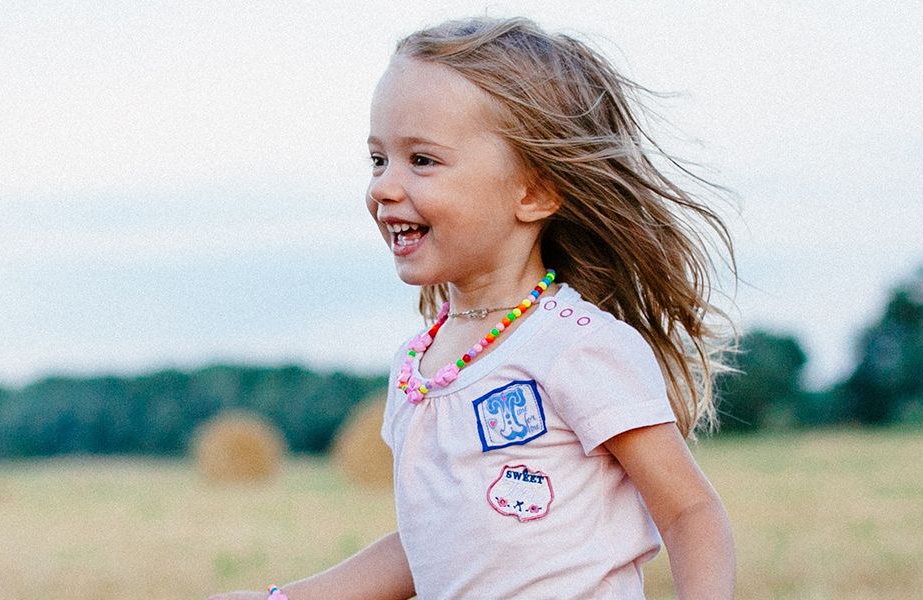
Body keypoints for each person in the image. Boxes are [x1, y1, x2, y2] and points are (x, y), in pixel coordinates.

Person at [209, 15, 738, 600]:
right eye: (378, 159)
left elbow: (690, 512)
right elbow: (435, 543)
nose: (384, 187)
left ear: (534, 192)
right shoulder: (416, 365)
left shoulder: (577, 346)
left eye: (423, 160)